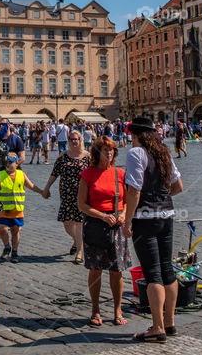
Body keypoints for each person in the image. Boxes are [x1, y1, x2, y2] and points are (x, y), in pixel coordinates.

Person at [123, 117, 183, 344]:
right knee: (168, 269)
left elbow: (134, 191)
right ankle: (169, 322)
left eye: (131, 134)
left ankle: (157, 328)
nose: (130, 138)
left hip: (145, 219)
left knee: (152, 273)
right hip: (166, 216)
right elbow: (178, 186)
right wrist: (162, 199)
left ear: (136, 134)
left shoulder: (136, 154)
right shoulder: (163, 153)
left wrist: (128, 221)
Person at [78, 137, 130, 327]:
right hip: (95, 225)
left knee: (117, 270)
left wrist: (124, 214)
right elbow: (81, 204)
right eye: (105, 150)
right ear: (97, 152)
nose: (109, 153)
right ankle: (95, 309)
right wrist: (101, 216)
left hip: (116, 225)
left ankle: (118, 309)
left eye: (112, 150)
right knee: (95, 270)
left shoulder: (121, 173)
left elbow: (127, 200)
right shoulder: (87, 174)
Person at [42, 130, 92, 261]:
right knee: (67, 223)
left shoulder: (88, 156)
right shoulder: (63, 156)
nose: (74, 141)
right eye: (71, 139)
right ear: (68, 141)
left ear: (80, 140)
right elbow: (54, 174)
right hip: (66, 194)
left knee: (80, 222)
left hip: (82, 194)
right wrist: (46, 188)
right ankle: (77, 240)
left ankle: (80, 252)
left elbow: (94, 175)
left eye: (76, 139)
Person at [0, 153, 42, 263]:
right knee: (2, 229)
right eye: (6, 162)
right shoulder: (1, 175)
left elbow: (31, 186)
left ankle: (15, 252)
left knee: (15, 231)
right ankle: (7, 247)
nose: (8, 164)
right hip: (4, 209)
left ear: (16, 163)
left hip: (17, 210)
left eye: (10, 162)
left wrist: (42, 192)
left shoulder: (21, 175)